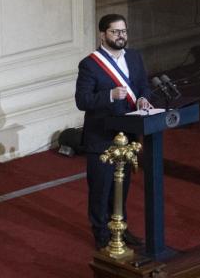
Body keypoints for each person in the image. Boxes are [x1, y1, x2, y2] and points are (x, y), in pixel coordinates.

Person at [75, 14, 152, 250]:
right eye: (115, 32)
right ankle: (100, 234)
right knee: (101, 188)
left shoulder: (135, 57)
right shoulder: (90, 64)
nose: (121, 36)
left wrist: (143, 100)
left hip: (128, 134)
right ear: (102, 34)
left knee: (123, 185)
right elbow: (82, 100)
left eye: (124, 31)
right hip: (102, 136)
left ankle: (121, 226)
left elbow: (143, 87)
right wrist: (109, 95)